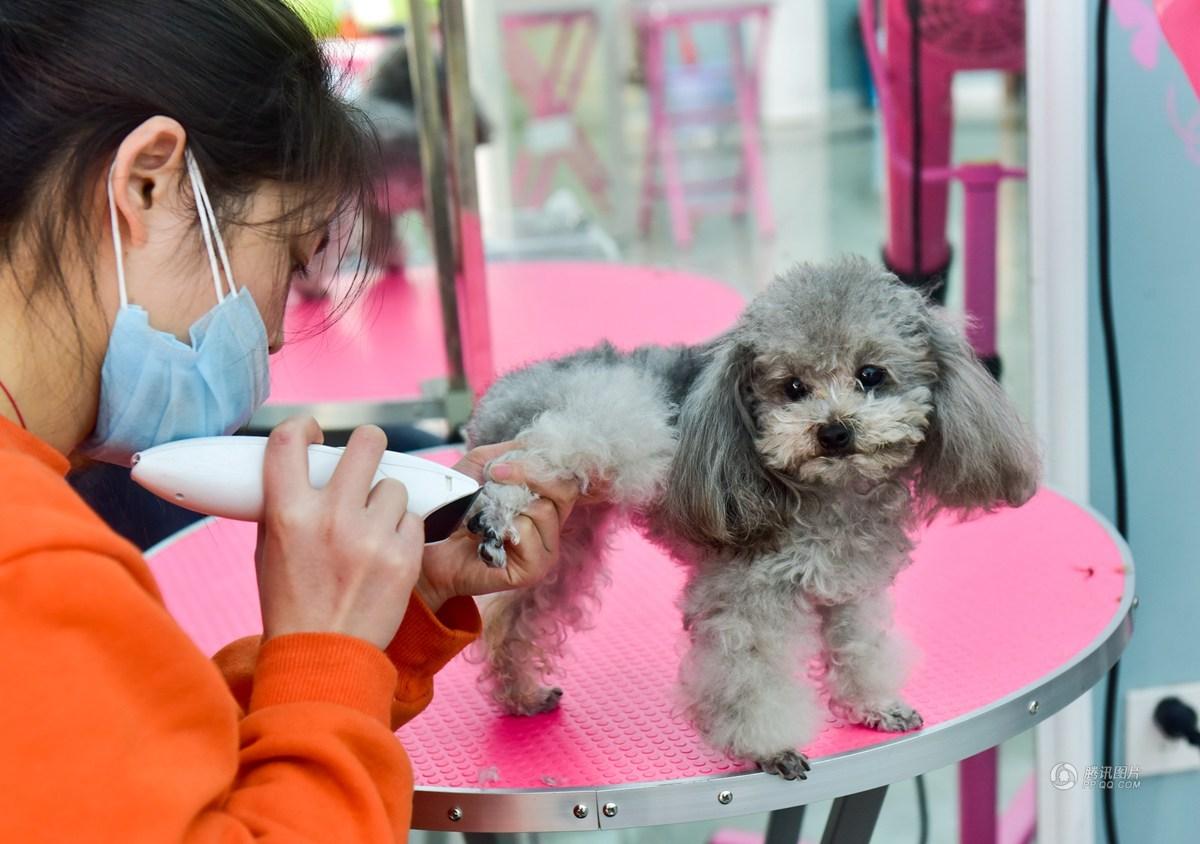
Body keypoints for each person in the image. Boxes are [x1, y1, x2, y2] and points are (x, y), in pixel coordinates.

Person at [0, 2, 579, 840]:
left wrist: (386, 611)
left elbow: (140, 788)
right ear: (149, 182)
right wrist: (327, 652)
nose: (269, 334)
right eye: (291, 253)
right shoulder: (33, 562)